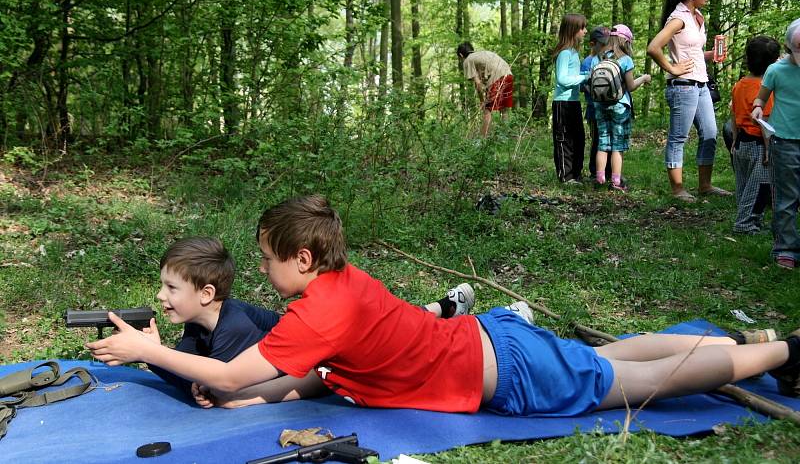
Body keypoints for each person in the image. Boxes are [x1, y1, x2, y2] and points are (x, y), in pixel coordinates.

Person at [88, 195, 800, 415]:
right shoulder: (339, 284)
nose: (263, 268)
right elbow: (294, 375)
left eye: (268, 255)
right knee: (612, 357)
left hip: (508, 372)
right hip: (496, 346)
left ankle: (786, 352)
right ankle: (759, 347)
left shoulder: (318, 311)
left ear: (301, 258)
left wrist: (146, 348)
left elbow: (237, 374)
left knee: (647, 381)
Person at [140, 235, 477, 399]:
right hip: (315, 340)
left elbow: (219, 382)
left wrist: (151, 354)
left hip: (314, 348)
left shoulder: (233, 329)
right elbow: (187, 367)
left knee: (394, 328)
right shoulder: (203, 323)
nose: (161, 296)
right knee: (395, 323)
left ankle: (450, 312)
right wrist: (155, 353)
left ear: (206, 294)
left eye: (171, 288)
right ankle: (443, 308)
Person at [647, 0, 731, 202]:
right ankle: (678, 189)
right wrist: (671, 68)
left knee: (710, 134)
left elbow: (690, 51)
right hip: (683, 86)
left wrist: (710, 54)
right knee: (678, 137)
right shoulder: (679, 17)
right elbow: (654, 47)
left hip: (701, 84)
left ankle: (705, 185)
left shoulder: (697, 16)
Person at [751, 18, 800, 269]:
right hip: (785, 141)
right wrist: (758, 109)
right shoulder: (776, 71)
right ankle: (786, 249)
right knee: (786, 197)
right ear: (789, 47)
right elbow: (760, 100)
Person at [589, 24, 651, 191]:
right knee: (618, 145)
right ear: (625, 41)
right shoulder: (625, 59)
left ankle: (600, 177)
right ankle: (616, 181)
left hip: (600, 106)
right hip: (620, 106)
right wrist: (644, 78)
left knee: (602, 142)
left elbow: (591, 82)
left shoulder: (597, 58)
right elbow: (630, 86)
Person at [730, 36, 780, 234]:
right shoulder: (764, 91)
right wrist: (769, 150)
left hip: (741, 142)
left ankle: (750, 221)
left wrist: (734, 140)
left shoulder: (740, 84)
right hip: (759, 145)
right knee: (758, 187)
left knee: (743, 187)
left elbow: (733, 114)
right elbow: (764, 122)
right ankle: (745, 224)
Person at [553, 13, 589, 184]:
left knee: (579, 138)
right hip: (562, 103)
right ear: (573, 30)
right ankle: (565, 176)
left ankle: (576, 174)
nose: (585, 31)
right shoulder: (565, 53)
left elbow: (574, 78)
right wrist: (585, 77)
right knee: (564, 139)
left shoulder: (574, 53)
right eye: (582, 28)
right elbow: (562, 79)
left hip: (574, 102)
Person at [456, 42, 513, 138]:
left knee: (487, 110)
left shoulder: (468, 60)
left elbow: (477, 83)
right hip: (508, 74)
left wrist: (482, 101)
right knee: (504, 109)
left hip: (497, 77)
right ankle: (506, 136)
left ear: (461, 55)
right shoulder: (482, 54)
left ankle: (482, 140)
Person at [581, 26, 612, 181]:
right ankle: (595, 172)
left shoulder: (610, 60)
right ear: (592, 44)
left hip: (610, 108)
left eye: (608, 43)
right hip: (594, 109)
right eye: (602, 44)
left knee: (611, 139)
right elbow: (582, 86)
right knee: (598, 140)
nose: (605, 46)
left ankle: (610, 171)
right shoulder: (587, 62)